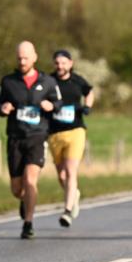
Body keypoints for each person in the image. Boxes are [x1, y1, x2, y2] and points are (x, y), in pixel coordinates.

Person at [0, 41, 63, 239]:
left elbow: (59, 102)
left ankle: (28, 223)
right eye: (19, 58)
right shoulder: (8, 82)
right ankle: (24, 200)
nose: (22, 62)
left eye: (26, 58)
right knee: (17, 188)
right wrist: (3, 108)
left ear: (34, 58)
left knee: (30, 180)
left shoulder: (48, 82)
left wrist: (52, 106)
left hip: (37, 136)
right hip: (16, 137)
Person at [48, 49, 94, 228]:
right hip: (55, 133)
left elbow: (89, 92)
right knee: (61, 176)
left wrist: (87, 106)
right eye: (57, 63)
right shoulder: (49, 81)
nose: (60, 66)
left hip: (76, 130)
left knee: (70, 171)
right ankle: (74, 194)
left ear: (71, 63)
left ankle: (67, 211)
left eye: (63, 63)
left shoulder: (77, 81)